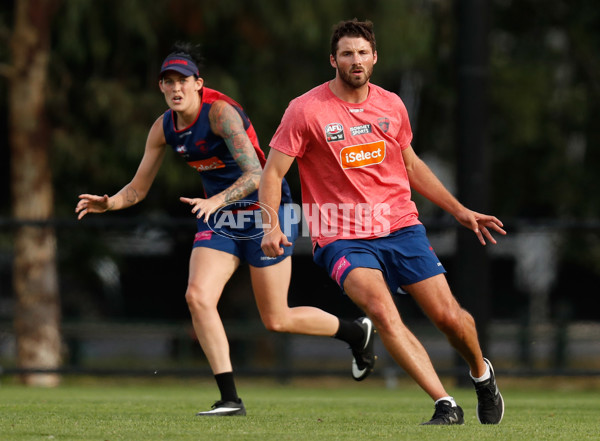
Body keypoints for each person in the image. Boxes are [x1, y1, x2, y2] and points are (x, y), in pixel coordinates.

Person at [75, 42, 376, 417]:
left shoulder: (221, 114)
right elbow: (137, 189)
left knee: (276, 318)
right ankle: (230, 399)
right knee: (198, 297)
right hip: (220, 218)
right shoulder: (164, 128)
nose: (175, 89)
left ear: (199, 83)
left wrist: (217, 201)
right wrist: (112, 202)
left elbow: (256, 172)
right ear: (161, 87)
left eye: (183, 80)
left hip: (269, 214)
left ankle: (354, 331)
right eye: (167, 82)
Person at [260, 19, 506, 425]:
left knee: (448, 317)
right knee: (381, 309)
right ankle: (446, 403)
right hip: (340, 234)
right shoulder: (305, 110)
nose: (355, 60)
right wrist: (272, 224)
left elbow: (410, 165)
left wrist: (459, 209)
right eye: (346, 54)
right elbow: (272, 173)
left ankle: (481, 374)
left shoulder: (391, 104)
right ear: (333, 60)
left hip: (400, 226)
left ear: (374, 58)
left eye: (361, 53)